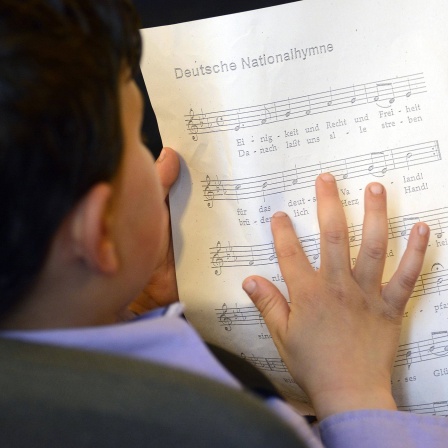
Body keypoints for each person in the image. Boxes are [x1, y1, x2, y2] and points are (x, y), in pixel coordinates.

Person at [0, 0, 446, 446]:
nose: (155, 155)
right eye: (138, 139)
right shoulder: (234, 431)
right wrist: (352, 390)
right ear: (99, 231)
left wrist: (118, 300)